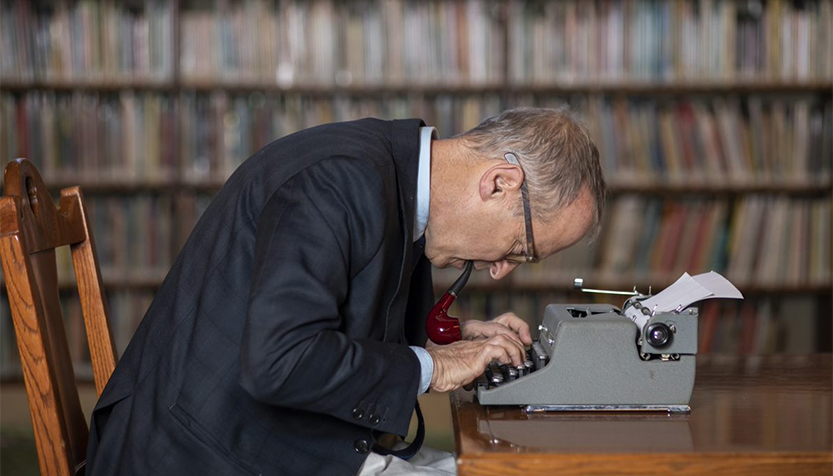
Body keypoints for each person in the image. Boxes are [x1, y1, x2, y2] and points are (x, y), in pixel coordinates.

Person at [85, 106, 605, 475]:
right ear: (499, 183)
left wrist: (453, 339)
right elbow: (280, 361)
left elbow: (330, 317)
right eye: (519, 247)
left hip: (255, 438)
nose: (501, 271)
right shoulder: (336, 183)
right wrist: (434, 366)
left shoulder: (382, 172)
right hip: (199, 454)